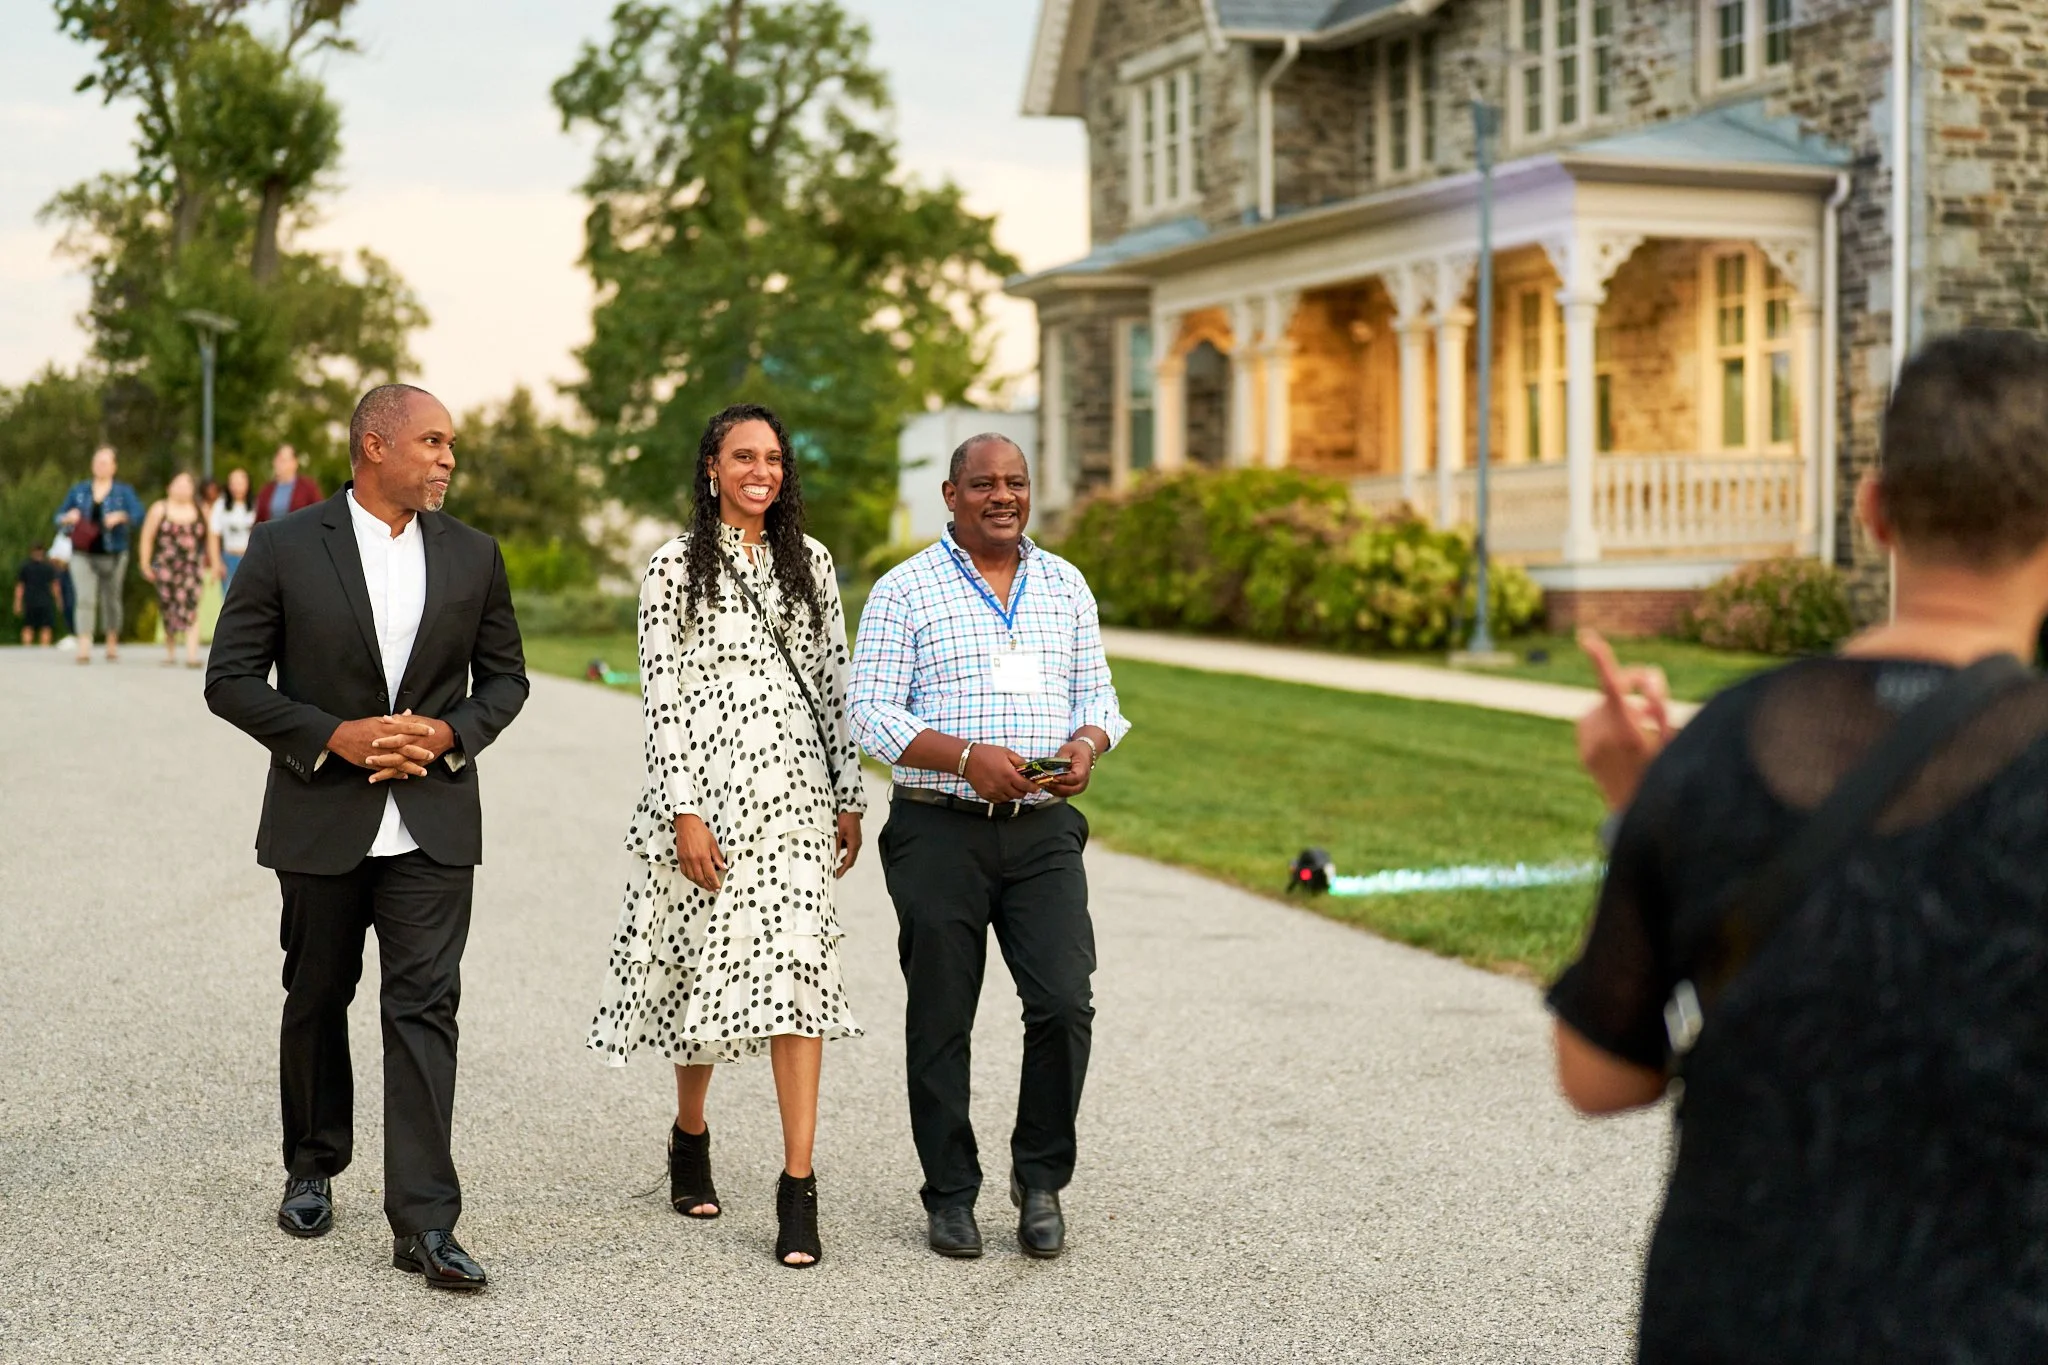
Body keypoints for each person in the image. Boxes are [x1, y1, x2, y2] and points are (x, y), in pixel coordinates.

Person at [1551, 329, 2048, 1363]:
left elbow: (1600, 1076)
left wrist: (1630, 808)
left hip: (1735, 1314)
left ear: (1872, 512)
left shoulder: (1721, 747)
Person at [204, 384, 527, 1293]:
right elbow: (229, 678)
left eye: (451, 443)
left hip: (432, 821)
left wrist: (450, 732)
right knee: (316, 993)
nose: (447, 458)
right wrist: (328, 736)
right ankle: (312, 1161)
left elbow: (506, 679)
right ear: (373, 445)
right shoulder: (282, 546)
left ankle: (425, 1221)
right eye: (432, 441)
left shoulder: (475, 554)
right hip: (320, 814)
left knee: (424, 1008)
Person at [588, 403, 866, 1269]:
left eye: (774, 458)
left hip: (793, 796)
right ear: (712, 465)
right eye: (744, 456)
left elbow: (834, 684)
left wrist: (848, 796)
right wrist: (685, 812)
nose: (762, 470)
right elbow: (661, 699)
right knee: (696, 966)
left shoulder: (810, 564)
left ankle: (797, 1185)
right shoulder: (673, 568)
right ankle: (691, 1133)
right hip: (704, 800)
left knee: (800, 976)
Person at [847, 432, 1129, 1262]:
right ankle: (951, 1193)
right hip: (939, 828)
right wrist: (968, 757)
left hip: (1042, 830)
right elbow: (870, 713)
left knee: (1063, 1001)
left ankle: (1039, 1180)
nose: (1002, 495)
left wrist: (1086, 743)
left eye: (1015, 482)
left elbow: (1099, 696)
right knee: (942, 1015)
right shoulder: (906, 590)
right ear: (950, 494)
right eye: (983, 484)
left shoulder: (1065, 583)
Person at [53, 445, 145, 664]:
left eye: (104, 462)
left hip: (114, 552)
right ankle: (84, 643)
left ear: (114, 467)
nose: (100, 466)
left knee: (111, 598)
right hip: (82, 553)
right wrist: (68, 517)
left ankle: (112, 640)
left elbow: (139, 514)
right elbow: (57, 517)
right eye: (97, 462)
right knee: (84, 597)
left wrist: (121, 516)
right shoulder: (79, 491)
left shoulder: (123, 492)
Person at [138, 471, 219, 668]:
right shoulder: (160, 509)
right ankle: (170, 649)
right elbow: (147, 537)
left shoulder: (201, 510)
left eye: (187, 484)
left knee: (191, 605)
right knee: (168, 605)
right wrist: (145, 563)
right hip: (165, 565)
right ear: (169, 487)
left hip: (192, 565)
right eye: (178, 484)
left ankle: (192, 653)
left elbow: (211, 538)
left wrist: (215, 564)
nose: (183, 488)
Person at [254, 444, 323, 524]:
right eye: (277, 459)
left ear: (295, 463)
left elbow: (320, 514)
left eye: (283, 460)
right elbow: (259, 521)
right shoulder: (266, 491)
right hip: (273, 535)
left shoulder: (308, 487)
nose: (279, 464)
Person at [211, 467, 257, 585]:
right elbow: (214, 535)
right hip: (229, 558)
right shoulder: (220, 505)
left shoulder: (256, 505)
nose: (237, 487)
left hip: (250, 558)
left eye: (240, 483)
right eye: (233, 483)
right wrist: (217, 562)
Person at [13, 543, 63, 646]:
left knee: (40, 626)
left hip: (37, 601)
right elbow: (20, 586)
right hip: (37, 601)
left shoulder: (29, 566)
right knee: (32, 626)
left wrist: (17, 603)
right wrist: (59, 601)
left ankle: (35, 648)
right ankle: (38, 648)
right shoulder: (44, 567)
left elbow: (54, 586)